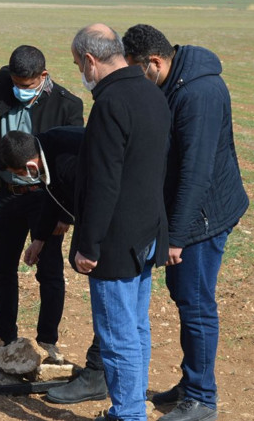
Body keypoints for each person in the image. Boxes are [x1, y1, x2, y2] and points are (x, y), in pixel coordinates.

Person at [123, 24, 250, 421]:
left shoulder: (199, 93)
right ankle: (190, 381)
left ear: (155, 62)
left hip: (204, 216)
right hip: (186, 213)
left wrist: (176, 236)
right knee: (184, 296)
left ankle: (201, 398)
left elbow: (197, 172)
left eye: (135, 69)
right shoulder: (175, 83)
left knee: (196, 304)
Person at [0, 45, 83, 359]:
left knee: (49, 271)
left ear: (43, 76)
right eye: (16, 84)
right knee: (3, 267)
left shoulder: (67, 105)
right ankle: (6, 333)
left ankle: (47, 341)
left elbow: (75, 162)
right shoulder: (3, 83)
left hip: (46, 199)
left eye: (27, 86)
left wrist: (66, 214)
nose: (20, 90)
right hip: (8, 194)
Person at [68, 23, 171, 421]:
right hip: (146, 231)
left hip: (115, 238)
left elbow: (103, 182)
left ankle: (128, 413)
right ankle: (132, 404)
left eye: (79, 64)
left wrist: (88, 245)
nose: (81, 72)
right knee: (136, 325)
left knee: (116, 333)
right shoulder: (151, 92)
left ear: (92, 61)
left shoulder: (110, 104)